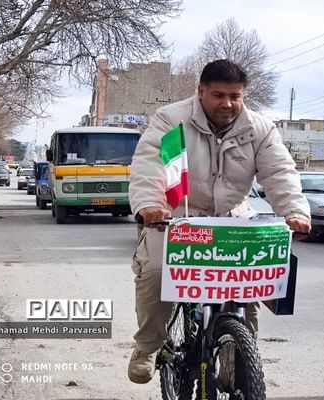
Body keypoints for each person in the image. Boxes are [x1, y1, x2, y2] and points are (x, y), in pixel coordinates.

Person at [127, 59, 312, 384]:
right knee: (156, 273)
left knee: (250, 285)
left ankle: (239, 354)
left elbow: (280, 172)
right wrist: (151, 205)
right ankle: (147, 346)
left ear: (243, 95)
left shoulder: (260, 128)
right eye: (218, 95)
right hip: (175, 218)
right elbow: (150, 164)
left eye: (234, 96)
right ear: (201, 92)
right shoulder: (172, 120)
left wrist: (295, 211)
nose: (227, 103)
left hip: (232, 219)